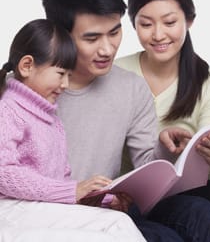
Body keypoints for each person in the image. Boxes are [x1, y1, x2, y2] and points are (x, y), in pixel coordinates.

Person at [41, 0, 210, 242]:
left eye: (115, 32)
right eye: (92, 38)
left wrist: (165, 147)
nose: (107, 48)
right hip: (66, 210)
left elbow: (146, 165)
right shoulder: (32, 86)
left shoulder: (131, 85)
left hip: (114, 205)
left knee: (201, 210)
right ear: (60, 35)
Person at [0, 18, 146, 242]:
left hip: (40, 210)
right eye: (60, 74)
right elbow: (3, 174)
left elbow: (61, 181)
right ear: (27, 66)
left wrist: (101, 199)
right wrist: (72, 191)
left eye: (69, 75)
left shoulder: (51, 120)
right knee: (113, 229)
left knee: (119, 223)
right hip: (11, 212)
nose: (66, 84)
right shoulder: (8, 109)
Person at [115, 0, 210, 232]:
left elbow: (208, 166)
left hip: (185, 190)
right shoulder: (116, 72)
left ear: (189, 21)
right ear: (133, 24)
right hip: (125, 192)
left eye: (169, 23)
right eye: (146, 24)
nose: (158, 35)